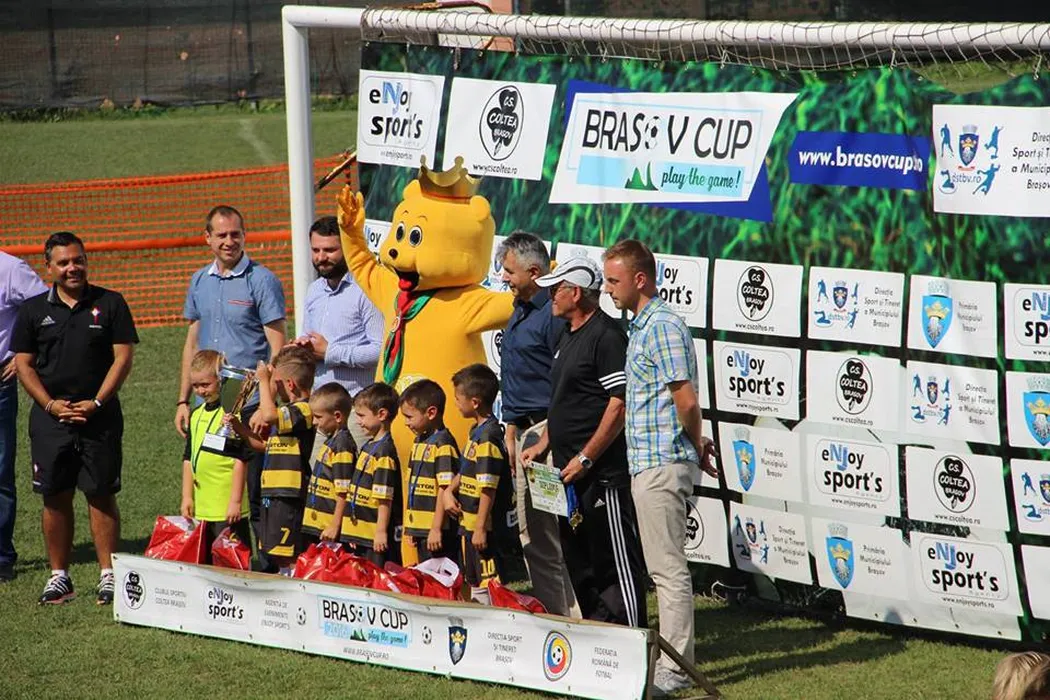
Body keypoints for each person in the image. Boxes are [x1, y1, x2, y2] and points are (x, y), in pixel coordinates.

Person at [603, 239, 719, 695]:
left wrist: (694, 441)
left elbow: (685, 401)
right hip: (652, 462)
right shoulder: (643, 326)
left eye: (613, 281)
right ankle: (669, 663)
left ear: (640, 280)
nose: (607, 289)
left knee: (668, 572)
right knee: (663, 569)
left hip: (661, 463)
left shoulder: (662, 326)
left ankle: (675, 669)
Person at [11, 232, 138, 605]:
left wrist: (97, 402)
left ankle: (108, 575)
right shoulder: (32, 310)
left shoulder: (110, 303)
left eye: (78, 260)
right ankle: (59, 577)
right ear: (48, 267)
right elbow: (24, 364)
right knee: (54, 496)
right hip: (51, 420)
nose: (72, 268)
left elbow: (123, 358)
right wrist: (50, 405)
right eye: (64, 262)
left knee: (101, 494)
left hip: (99, 417)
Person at [519, 256, 646, 628]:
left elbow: (618, 405)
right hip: (565, 472)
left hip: (601, 475)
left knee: (612, 562)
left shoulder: (606, 336)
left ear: (575, 293)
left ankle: (630, 639)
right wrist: (544, 443)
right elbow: (564, 399)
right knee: (580, 561)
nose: (549, 298)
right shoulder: (566, 334)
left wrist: (587, 458)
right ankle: (596, 639)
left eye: (555, 291)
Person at [175, 204, 287, 552]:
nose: (229, 241)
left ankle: (265, 566)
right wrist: (183, 400)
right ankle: (219, 561)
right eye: (221, 235)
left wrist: (267, 402)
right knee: (213, 483)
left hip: (249, 407)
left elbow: (277, 345)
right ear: (207, 238)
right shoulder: (199, 281)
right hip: (208, 406)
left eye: (235, 234)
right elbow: (192, 343)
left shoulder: (262, 280)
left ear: (244, 236)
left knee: (254, 493)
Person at [495, 232, 577, 617]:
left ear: (533, 272)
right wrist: (511, 428)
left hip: (547, 432)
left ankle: (563, 620)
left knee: (547, 533)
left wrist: (546, 436)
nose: (503, 277)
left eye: (509, 271)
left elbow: (565, 382)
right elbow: (515, 374)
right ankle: (558, 615)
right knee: (534, 533)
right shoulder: (521, 307)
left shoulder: (552, 315)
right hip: (524, 432)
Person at [293, 215, 384, 450]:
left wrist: (331, 352)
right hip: (320, 410)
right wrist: (301, 349)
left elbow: (381, 350)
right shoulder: (314, 291)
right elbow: (310, 340)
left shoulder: (366, 290)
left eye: (330, 250)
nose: (321, 257)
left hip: (357, 410)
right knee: (318, 471)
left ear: (347, 248)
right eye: (316, 250)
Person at [234, 345, 315, 574]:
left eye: (276, 383)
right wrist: (240, 429)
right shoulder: (287, 413)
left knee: (289, 551)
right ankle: (283, 578)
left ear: (290, 384)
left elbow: (268, 415)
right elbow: (265, 446)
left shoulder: (303, 410)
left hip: (289, 493)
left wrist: (263, 380)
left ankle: (294, 582)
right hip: (274, 492)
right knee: (274, 549)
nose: (274, 388)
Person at [0, 251, 48, 582]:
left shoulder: (9, 268)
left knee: (0, 471)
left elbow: (45, 308)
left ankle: (1, 557)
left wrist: (21, 354)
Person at [447, 364, 514, 597]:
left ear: (474, 402)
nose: (456, 404)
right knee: (474, 582)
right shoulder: (476, 431)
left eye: (458, 399)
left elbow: (488, 488)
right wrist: (449, 491)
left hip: (484, 528)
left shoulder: (488, 438)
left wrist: (480, 528)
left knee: (490, 588)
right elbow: (467, 468)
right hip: (469, 523)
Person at [179, 350, 251, 561]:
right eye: (195, 385)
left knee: (231, 562)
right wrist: (187, 496)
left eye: (205, 385)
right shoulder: (196, 414)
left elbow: (240, 459)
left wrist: (235, 501)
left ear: (221, 381)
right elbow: (188, 458)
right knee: (205, 562)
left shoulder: (231, 415)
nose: (200, 391)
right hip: (202, 506)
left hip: (226, 506)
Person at [399, 379, 460, 564]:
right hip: (420, 529)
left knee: (441, 577)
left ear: (431, 413)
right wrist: (411, 526)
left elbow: (444, 487)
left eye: (409, 417)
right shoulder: (419, 441)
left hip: (438, 531)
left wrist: (436, 528)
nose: (406, 423)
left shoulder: (443, 444)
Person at [345, 382, 402, 565]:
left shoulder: (384, 452)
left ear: (382, 414)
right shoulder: (368, 446)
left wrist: (380, 532)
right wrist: (353, 531)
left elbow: (384, 497)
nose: (358, 421)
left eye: (362, 416)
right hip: (362, 534)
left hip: (375, 537)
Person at [300, 383, 357, 550]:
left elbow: (343, 491)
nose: (314, 422)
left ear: (337, 416)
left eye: (318, 417)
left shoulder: (342, 445)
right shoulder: (332, 440)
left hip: (329, 529)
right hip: (319, 526)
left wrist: (335, 525)